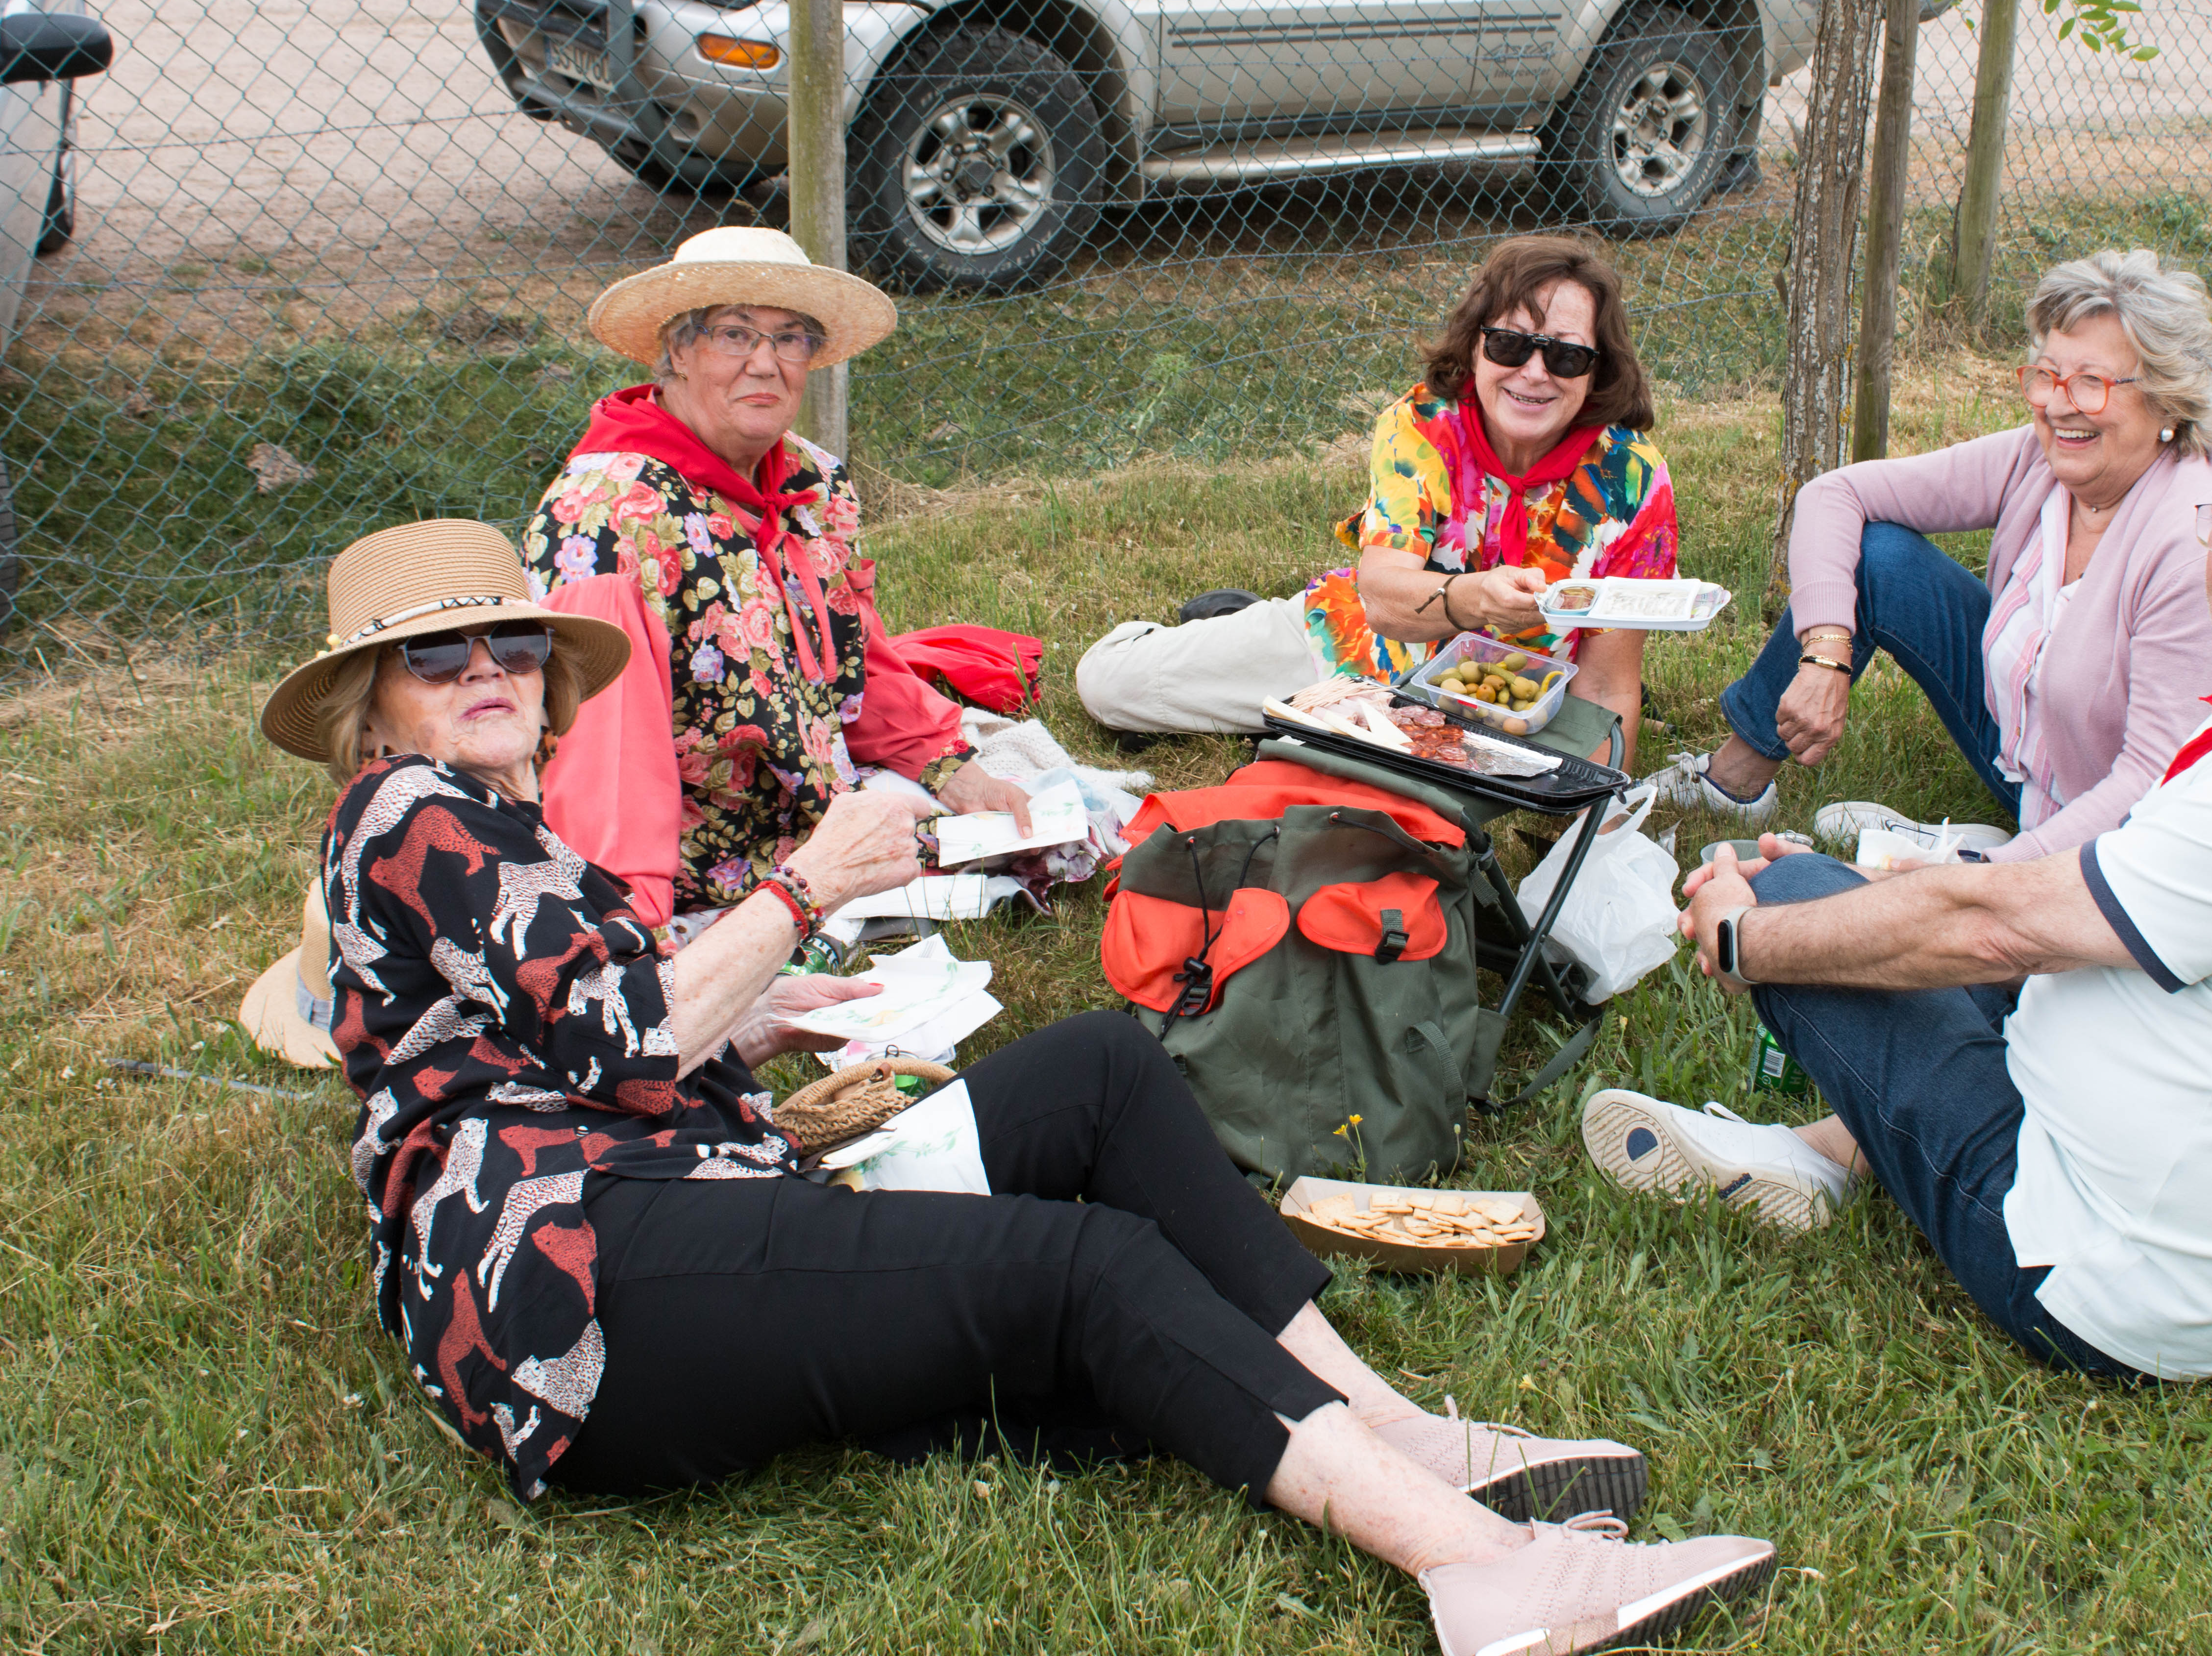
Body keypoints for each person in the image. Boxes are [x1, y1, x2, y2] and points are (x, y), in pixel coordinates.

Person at [264, 520, 1776, 1656]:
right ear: (373, 704)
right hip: (594, 1299)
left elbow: (569, 1018)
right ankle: (1479, 1570)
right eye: (437, 657)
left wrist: (769, 1014)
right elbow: (622, 1045)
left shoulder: (482, 820)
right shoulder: (408, 807)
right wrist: (809, 883)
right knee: (1085, 1270)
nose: (483, 675)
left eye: (508, 647)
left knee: (1102, 1073)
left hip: (666, 1208)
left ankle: (1388, 1424)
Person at [1584, 381, 2212, 1381]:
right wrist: (1911, 898)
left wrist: (1747, 939)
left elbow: (1997, 934)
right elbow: (2070, 906)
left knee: (1794, 894)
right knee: (1878, 908)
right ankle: (1825, 1148)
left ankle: (1824, 1148)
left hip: (2095, 1277)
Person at [518, 226, 1031, 938]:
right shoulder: (609, 520)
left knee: (1043, 834)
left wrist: (950, 766)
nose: (765, 364)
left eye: (790, 339)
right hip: (700, 862)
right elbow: (604, 758)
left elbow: (860, 658)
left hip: (817, 814)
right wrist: (633, 932)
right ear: (676, 350)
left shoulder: (812, 479)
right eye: (734, 334)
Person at [1646, 249, 2212, 864]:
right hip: (2030, 752)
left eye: (2092, 382)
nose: (2058, 406)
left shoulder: (2193, 547)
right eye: (2048, 376)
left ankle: (1998, 847)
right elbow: (1835, 494)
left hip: (2115, 825)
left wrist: (1973, 882)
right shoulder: (2043, 460)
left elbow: (2155, 785)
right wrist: (1825, 652)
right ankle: (1730, 784)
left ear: (2167, 399)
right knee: (1881, 557)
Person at [1073, 234, 1677, 748]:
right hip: (1365, 649)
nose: (1535, 373)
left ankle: (1263, 672)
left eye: (1568, 356)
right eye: (1511, 344)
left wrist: (1600, 830)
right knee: (1108, 684)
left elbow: (1607, 687)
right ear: (1475, 343)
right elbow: (1385, 603)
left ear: (1599, 368)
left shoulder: (1633, 480)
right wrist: (1477, 598)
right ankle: (1211, 637)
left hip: (1523, 705)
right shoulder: (1421, 426)